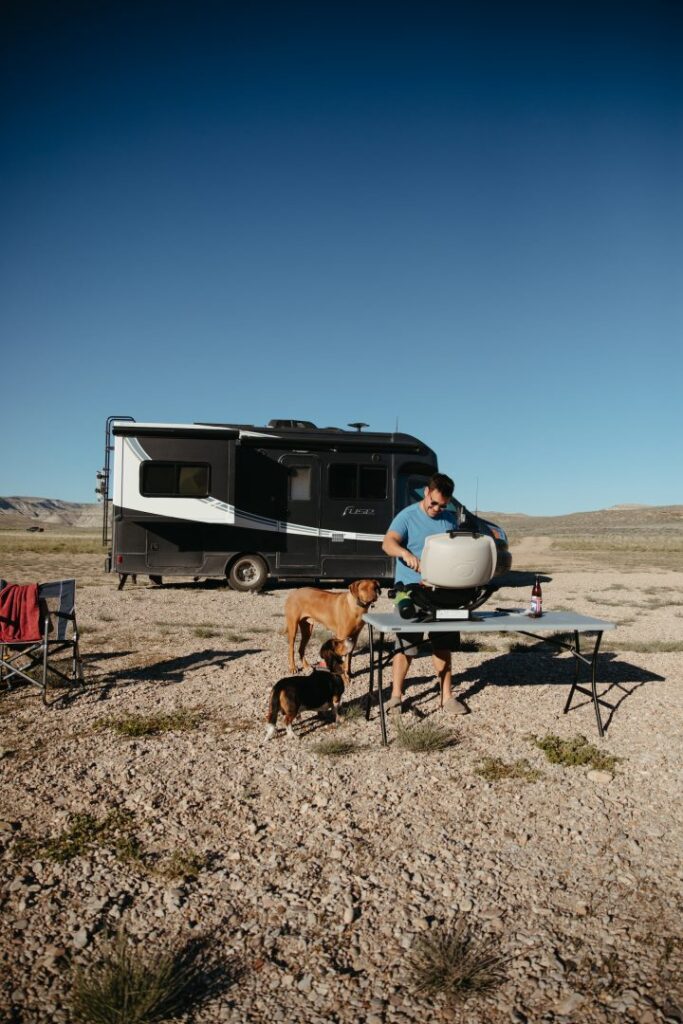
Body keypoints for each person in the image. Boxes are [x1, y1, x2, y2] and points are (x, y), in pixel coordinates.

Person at [382, 472, 468, 715]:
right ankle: (396, 696)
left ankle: (447, 697)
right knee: (406, 646)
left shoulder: (449, 520)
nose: (437, 508)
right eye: (434, 503)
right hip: (411, 592)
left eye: (443, 505)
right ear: (426, 493)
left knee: (442, 644)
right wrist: (405, 554)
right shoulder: (407, 516)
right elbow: (387, 543)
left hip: (442, 592)